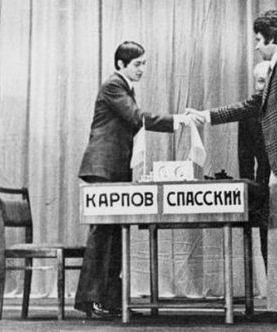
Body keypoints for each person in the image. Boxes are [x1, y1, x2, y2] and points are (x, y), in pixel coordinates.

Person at [187, 10, 277, 317]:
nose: (256, 46)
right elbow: (252, 105)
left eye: (258, 39)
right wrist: (207, 116)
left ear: (272, 38)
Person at [75, 41, 201, 318]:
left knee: (113, 236)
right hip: (103, 167)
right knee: (102, 235)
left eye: (144, 63)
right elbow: (136, 117)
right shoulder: (113, 86)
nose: (143, 69)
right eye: (137, 64)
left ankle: (109, 302)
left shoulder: (123, 87)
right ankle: (92, 301)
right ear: (121, 64)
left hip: (113, 168)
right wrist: (176, 121)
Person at [238, 61, 271, 269]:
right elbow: (245, 155)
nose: (260, 87)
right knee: (267, 238)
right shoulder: (249, 111)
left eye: (264, 81)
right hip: (264, 183)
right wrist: (248, 188)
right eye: (258, 82)